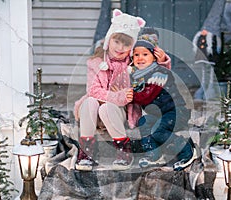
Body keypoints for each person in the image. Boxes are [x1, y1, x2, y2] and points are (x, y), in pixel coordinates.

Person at [73, 10, 171, 171]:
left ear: (132, 46)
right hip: (94, 113)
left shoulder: (133, 62)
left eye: (126, 44)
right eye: (117, 41)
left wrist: (162, 63)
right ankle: (86, 152)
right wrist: (118, 95)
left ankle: (123, 150)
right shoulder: (96, 62)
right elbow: (93, 90)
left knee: (107, 107)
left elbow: (155, 75)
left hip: (119, 113)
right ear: (108, 40)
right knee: (89, 101)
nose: (120, 47)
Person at [130, 27, 197, 171]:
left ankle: (187, 150)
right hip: (160, 115)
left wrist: (131, 95)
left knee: (158, 131)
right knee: (143, 122)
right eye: (136, 55)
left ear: (154, 57)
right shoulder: (137, 77)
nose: (140, 58)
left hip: (176, 112)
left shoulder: (160, 73)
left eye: (145, 54)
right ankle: (153, 154)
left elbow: (147, 95)